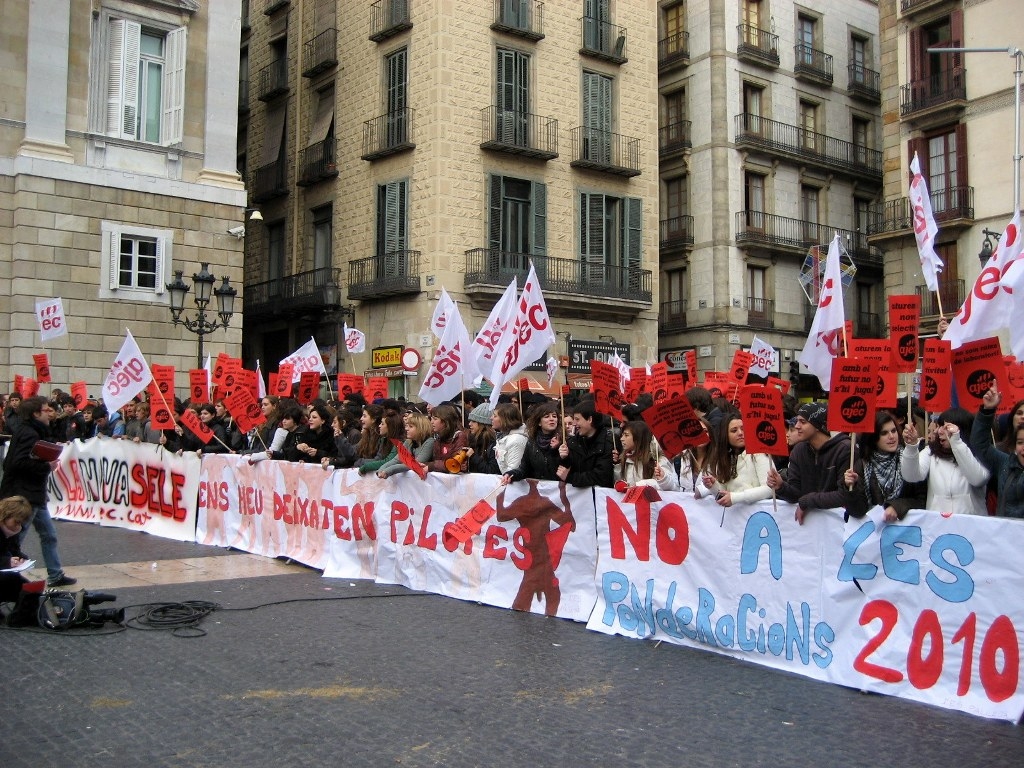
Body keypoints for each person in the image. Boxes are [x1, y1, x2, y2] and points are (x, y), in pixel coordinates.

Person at [0, 396, 75, 587]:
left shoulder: (30, 430)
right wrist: (46, 466)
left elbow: (10, 462)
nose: (50, 413)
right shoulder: (30, 434)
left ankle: (55, 574)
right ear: (35, 413)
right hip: (25, 495)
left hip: (33, 493)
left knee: (48, 535)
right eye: (45, 410)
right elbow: (15, 463)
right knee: (15, 537)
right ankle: (9, 575)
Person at [767, 402, 854, 525]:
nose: (797, 426)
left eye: (803, 422)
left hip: (839, 525)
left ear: (817, 425)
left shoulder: (845, 449)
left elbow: (843, 495)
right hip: (809, 527)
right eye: (797, 421)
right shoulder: (798, 451)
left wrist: (807, 500)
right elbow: (796, 494)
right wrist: (780, 486)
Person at [901, 407, 988, 516]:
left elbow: (977, 479)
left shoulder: (977, 453)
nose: (939, 431)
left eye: (946, 427)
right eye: (939, 426)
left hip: (969, 526)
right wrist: (911, 447)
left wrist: (956, 443)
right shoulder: (931, 451)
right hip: (939, 525)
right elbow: (911, 476)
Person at [843, 412, 927, 522]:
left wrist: (896, 507)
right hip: (875, 534)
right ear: (873, 437)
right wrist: (851, 488)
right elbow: (858, 511)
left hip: (906, 533)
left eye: (893, 431)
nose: (891, 437)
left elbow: (922, 501)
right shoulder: (862, 465)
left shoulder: (910, 460)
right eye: (884, 433)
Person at [971, 386, 1024, 518]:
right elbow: (980, 444)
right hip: (1006, 534)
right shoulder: (1005, 463)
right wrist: (987, 410)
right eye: (1020, 442)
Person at [697, 414, 772, 506]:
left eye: (743, 429)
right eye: (734, 430)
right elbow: (724, 495)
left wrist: (736, 497)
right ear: (725, 435)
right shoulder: (723, 458)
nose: (740, 433)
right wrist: (713, 486)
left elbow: (769, 489)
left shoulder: (759, 453)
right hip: (734, 517)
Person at [557, 400, 614, 488]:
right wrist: (564, 458)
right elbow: (562, 471)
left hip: (600, 498)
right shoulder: (572, 442)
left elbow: (601, 476)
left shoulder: (609, 441)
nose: (574, 424)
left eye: (577, 419)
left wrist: (571, 478)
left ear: (590, 419)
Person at [506, 402, 564, 483]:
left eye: (554, 416)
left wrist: (555, 450)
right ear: (539, 422)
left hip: (558, 491)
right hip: (538, 491)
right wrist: (511, 475)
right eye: (546, 416)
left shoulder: (564, 441)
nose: (552, 419)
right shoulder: (532, 443)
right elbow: (524, 469)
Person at [614, 420, 679, 491]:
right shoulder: (625, 458)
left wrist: (663, 478)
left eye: (626, 435)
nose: (621, 439)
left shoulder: (657, 459)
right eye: (622, 435)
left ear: (639, 438)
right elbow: (622, 481)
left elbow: (672, 487)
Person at [375, 412, 435, 478]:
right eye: (406, 426)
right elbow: (397, 459)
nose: (406, 429)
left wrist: (388, 470)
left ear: (420, 428)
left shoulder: (429, 442)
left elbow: (416, 464)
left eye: (411, 426)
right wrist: (381, 469)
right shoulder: (408, 441)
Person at [356, 408, 404, 475]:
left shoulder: (400, 442)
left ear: (390, 427)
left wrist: (365, 467)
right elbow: (379, 458)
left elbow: (388, 461)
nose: (379, 426)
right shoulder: (383, 439)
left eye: (382, 424)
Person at [426, 403, 469, 473]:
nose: (431, 422)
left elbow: (454, 464)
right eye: (431, 419)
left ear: (445, 421)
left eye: (435, 419)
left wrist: (432, 466)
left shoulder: (459, 436)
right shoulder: (438, 437)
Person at [492, 403, 528, 479]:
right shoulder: (502, 437)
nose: (491, 418)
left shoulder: (516, 440)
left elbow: (513, 469)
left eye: (495, 416)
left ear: (504, 419)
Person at [465, 404, 499, 474]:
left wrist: (473, 456)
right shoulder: (473, 439)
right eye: (470, 421)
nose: (469, 424)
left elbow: (491, 470)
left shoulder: (493, 443)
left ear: (482, 424)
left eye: (473, 421)